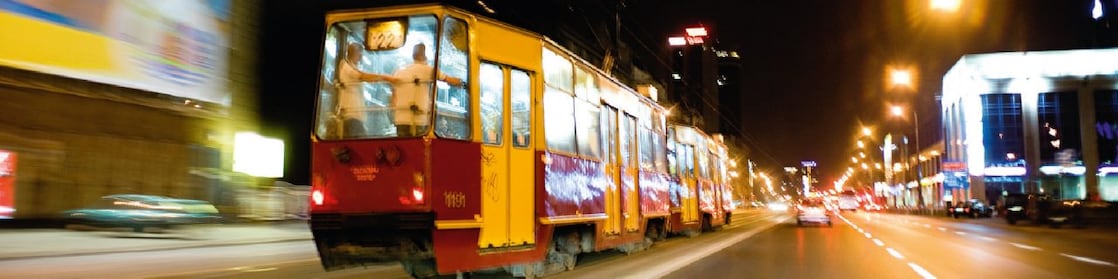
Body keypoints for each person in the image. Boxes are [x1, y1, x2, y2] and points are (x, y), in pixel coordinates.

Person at [391, 43, 464, 137]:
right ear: (424, 55)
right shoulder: (428, 70)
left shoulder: (398, 73)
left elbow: (393, 98)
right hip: (419, 120)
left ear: (413, 56)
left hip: (400, 119)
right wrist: (464, 83)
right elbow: (450, 80)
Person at [338, 42, 397, 137]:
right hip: (351, 114)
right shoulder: (346, 66)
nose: (361, 56)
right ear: (354, 53)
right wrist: (385, 77)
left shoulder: (353, 67)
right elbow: (362, 76)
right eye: (360, 53)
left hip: (356, 115)